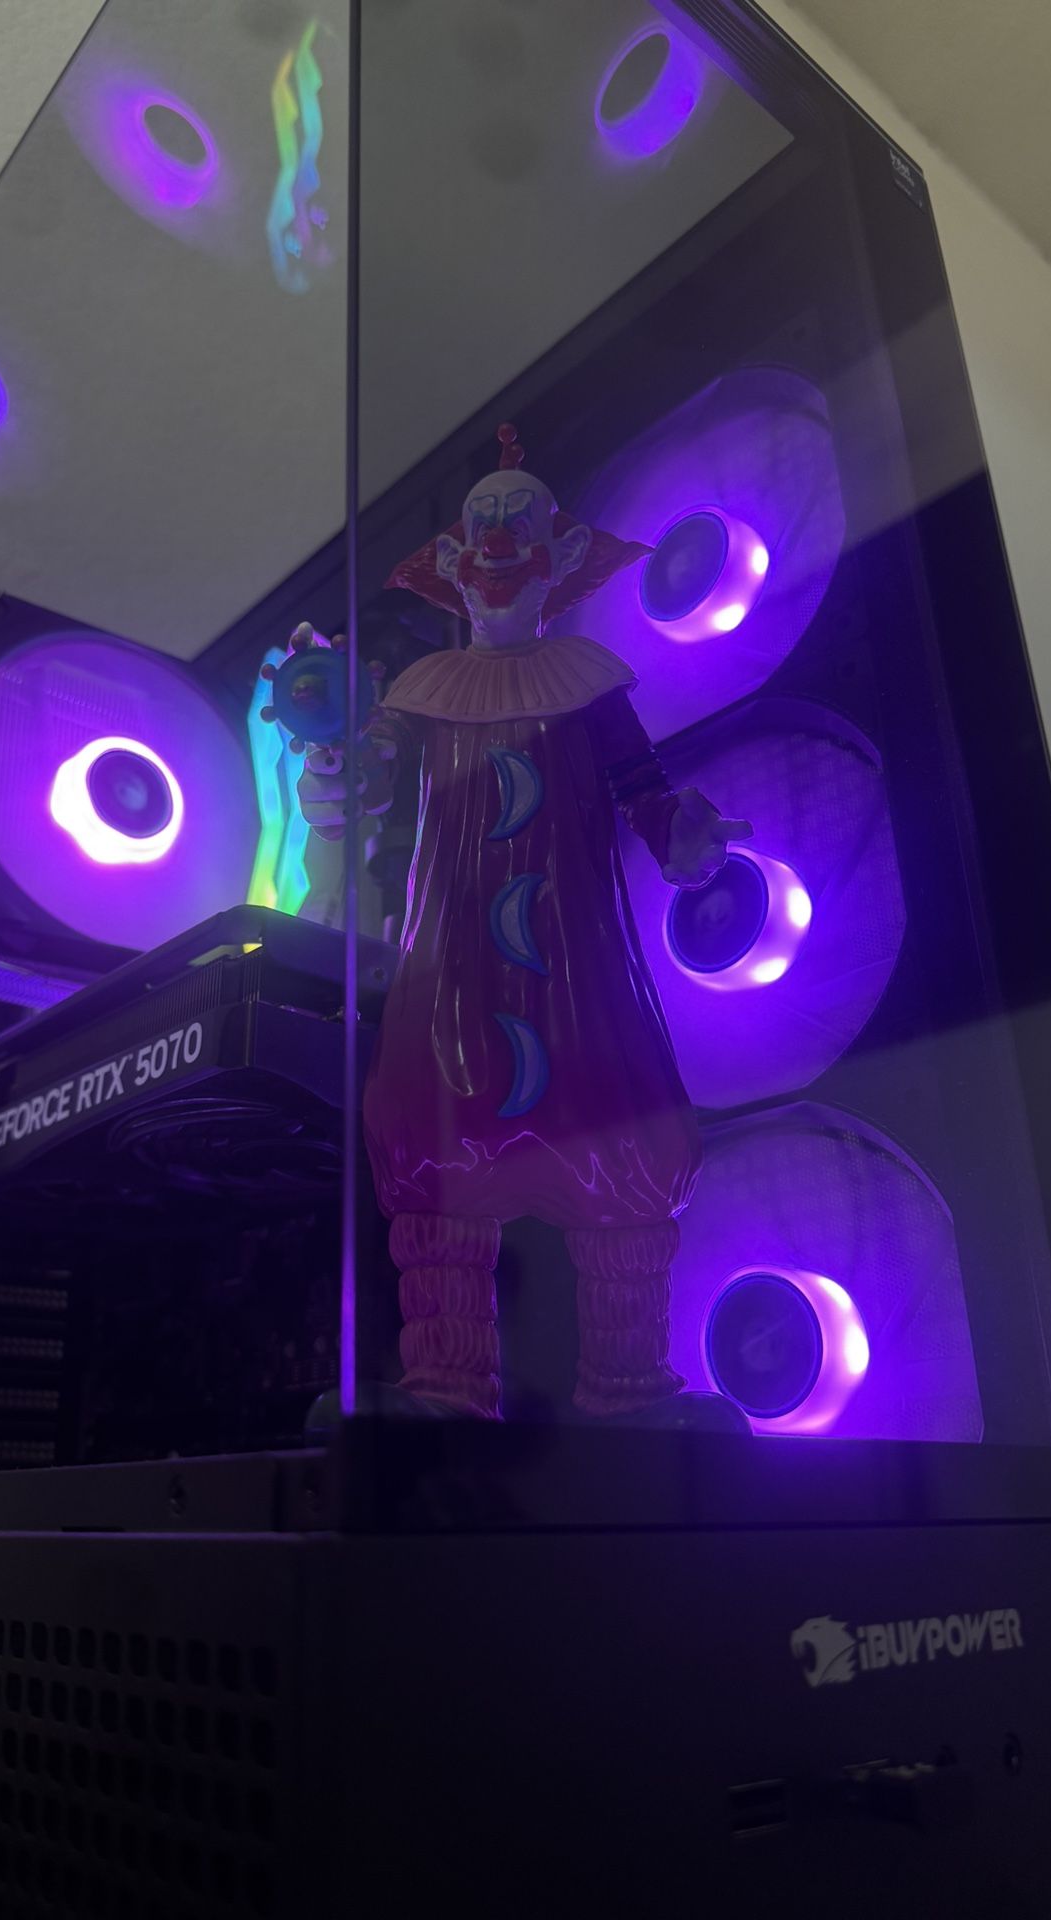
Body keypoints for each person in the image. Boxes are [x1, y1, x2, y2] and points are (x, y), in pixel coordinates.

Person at [298, 426, 750, 1420]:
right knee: (438, 1164)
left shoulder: (588, 685)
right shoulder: (419, 696)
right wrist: (335, 779)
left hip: (580, 970)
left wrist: (681, 833)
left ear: (563, 557)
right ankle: (449, 1389)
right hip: (450, 974)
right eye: (482, 531)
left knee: (619, 1151)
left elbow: (644, 792)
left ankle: (628, 1388)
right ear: (453, 562)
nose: (498, 549)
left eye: (519, 529)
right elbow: (367, 778)